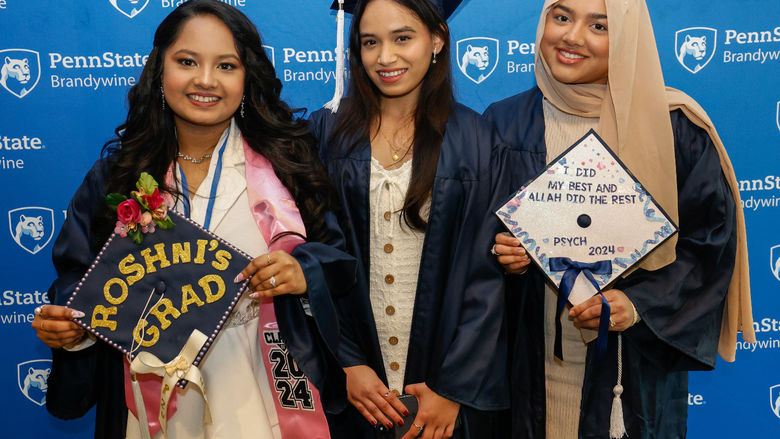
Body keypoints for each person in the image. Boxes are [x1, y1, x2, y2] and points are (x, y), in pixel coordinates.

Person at [31, 1, 355, 438]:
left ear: (247, 77)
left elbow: (338, 262)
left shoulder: (288, 167)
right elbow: (78, 278)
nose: (206, 80)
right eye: (187, 62)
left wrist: (303, 272)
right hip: (150, 400)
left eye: (226, 65)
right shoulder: (120, 176)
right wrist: (72, 327)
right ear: (159, 71)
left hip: (262, 390)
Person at [483, 0, 755, 437]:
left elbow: (708, 247)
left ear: (629, 38)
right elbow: (466, 242)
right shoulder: (504, 123)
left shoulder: (673, 126)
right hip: (528, 368)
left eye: (599, 25)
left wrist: (639, 305)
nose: (572, 36)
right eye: (561, 16)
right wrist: (502, 253)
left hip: (629, 374)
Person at [310, 1, 509, 438]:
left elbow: (486, 275)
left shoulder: (477, 140)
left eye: (403, 38)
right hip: (357, 385)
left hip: (442, 385)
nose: (385, 57)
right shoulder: (327, 134)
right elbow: (317, 256)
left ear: (436, 40)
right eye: (370, 42)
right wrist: (347, 362)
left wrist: (450, 387)